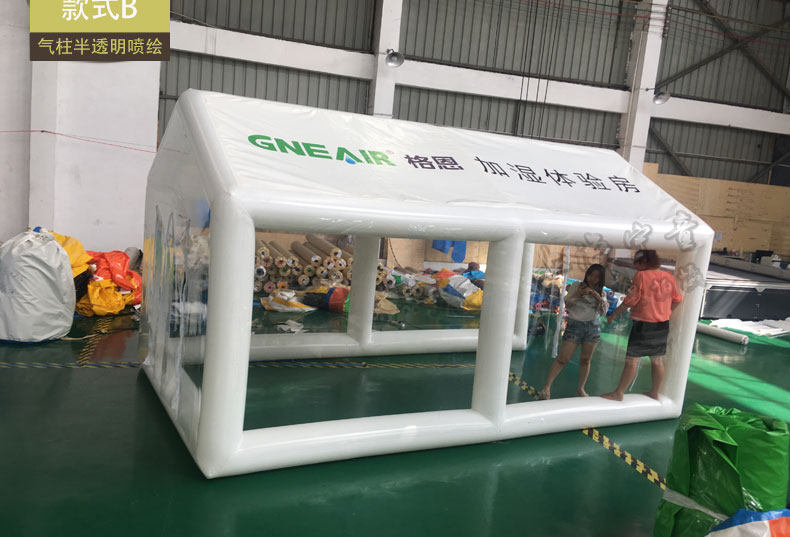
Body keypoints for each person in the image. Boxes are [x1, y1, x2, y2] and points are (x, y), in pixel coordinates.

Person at [602, 250, 682, 401]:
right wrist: (666, 312)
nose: (635, 266)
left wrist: (613, 314)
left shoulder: (641, 276)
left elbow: (630, 300)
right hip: (662, 325)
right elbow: (678, 299)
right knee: (657, 361)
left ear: (644, 262)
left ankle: (619, 393)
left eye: (636, 263)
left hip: (643, 325)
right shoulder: (669, 276)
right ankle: (654, 392)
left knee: (632, 361)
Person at [540, 264, 608, 400]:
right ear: (587, 274)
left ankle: (581, 388)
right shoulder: (577, 286)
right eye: (591, 275)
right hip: (574, 325)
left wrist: (598, 297)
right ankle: (546, 387)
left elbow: (604, 312)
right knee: (563, 359)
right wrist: (579, 294)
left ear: (601, 279)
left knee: (586, 360)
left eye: (597, 277)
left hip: (592, 327)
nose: (593, 279)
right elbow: (567, 303)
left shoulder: (602, 292)